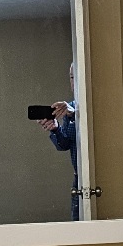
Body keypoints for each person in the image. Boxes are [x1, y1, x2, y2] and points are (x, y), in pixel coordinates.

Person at [38, 64, 80, 220]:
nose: (74, 82)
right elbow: (64, 144)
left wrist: (74, 114)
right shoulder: (70, 107)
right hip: (78, 180)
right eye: (71, 77)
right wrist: (55, 129)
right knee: (76, 226)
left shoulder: (88, 108)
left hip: (93, 179)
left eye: (78, 76)